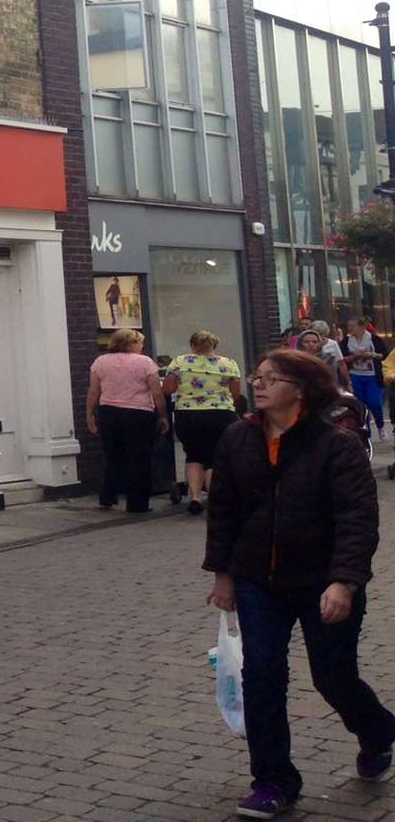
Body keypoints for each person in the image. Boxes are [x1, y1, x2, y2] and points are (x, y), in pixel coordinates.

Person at [204, 348, 395, 819]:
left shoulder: (336, 444)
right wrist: (223, 574)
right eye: (258, 376)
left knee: (332, 676)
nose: (258, 384)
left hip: (322, 579)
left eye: (271, 378)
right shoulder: (237, 437)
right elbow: (223, 510)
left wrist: (345, 582)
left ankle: (376, 731)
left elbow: (358, 519)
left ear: (302, 388)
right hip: (256, 579)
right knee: (262, 675)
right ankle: (273, 782)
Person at [85, 329, 167, 513]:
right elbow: (156, 392)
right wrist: (162, 415)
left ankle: (107, 496)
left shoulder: (100, 362)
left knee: (112, 456)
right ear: (131, 343)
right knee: (140, 458)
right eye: (139, 343)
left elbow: (93, 392)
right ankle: (137, 503)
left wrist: (89, 415)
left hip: (108, 413)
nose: (141, 347)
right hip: (139, 414)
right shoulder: (145, 362)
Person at [164, 331, 241, 516]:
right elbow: (236, 394)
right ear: (214, 345)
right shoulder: (229, 364)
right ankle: (214, 500)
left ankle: (196, 498)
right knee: (215, 456)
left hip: (188, 414)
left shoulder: (179, 362)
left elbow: (168, 389)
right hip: (220, 414)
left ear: (193, 345)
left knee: (193, 455)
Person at [343, 318, 386, 441]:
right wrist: (355, 356)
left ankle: (380, 425)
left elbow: (384, 354)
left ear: (362, 327)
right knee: (361, 405)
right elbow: (342, 358)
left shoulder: (374, 339)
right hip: (355, 375)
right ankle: (366, 432)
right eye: (348, 326)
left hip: (373, 376)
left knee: (375, 403)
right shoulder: (347, 340)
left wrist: (372, 355)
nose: (350, 328)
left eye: (353, 326)